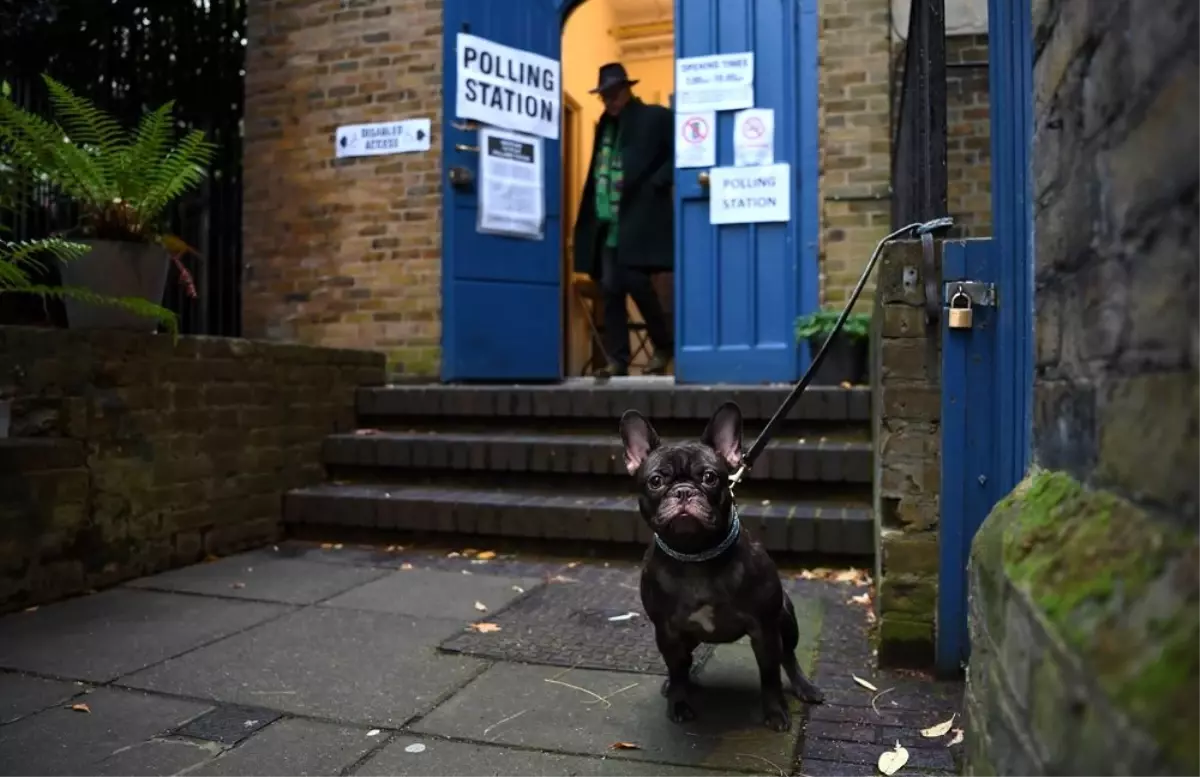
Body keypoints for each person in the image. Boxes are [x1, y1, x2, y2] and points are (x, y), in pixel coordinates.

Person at [573, 62, 675, 379]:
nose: (610, 101)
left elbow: (683, 152)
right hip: (607, 220)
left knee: (633, 280)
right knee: (610, 288)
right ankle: (618, 360)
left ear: (628, 89)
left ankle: (663, 344)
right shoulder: (605, 125)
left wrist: (658, 182)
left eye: (614, 94)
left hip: (638, 217)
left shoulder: (656, 117)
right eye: (605, 96)